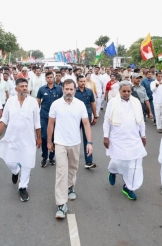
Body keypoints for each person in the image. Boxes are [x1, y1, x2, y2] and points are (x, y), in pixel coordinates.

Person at [47, 79, 93, 219]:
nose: (68, 92)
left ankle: (70, 187)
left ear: (74, 90)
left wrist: (89, 142)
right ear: (62, 89)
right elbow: (50, 124)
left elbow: (86, 124)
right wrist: (49, 142)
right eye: (66, 89)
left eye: (71, 89)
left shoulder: (80, 105)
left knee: (73, 168)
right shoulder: (55, 104)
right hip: (60, 143)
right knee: (61, 172)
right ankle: (61, 205)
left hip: (75, 143)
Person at [0, 78, 41, 202]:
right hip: (12, 138)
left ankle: (23, 187)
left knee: (27, 163)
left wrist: (39, 137)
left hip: (28, 139)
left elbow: (37, 122)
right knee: (10, 162)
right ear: (16, 89)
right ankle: (15, 172)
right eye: (22, 86)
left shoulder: (33, 102)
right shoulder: (10, 101)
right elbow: (4, 119)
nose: (25, 88)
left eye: (26, 86)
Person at [103, 81, 147, 201]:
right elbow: (107, 121)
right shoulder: (112, 102)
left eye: (129, 91)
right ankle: (112, 171)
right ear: (119, 91)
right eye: (124, 91)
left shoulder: (136, 102)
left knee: (134, 164)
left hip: (134, 138)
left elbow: (141, 120)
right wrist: (106, 136)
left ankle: (128, 187)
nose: (127, 93)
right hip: (118, 138)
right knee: (117, 161)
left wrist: (143, 135)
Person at [37, 72, 63, 167]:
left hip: (56, 117)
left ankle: (52, 157)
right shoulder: (42, 89)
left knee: (54, 138)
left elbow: (62, 103)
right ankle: (44, 157)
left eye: (51, 77)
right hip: (44, 116)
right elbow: (38, 103)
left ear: (54, 78)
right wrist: (35, 116)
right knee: (44, 137)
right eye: (47, 77)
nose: (49, 79)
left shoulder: (59, 89)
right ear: (46, 79)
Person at [75, 75, 98, 169]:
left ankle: (88, 162)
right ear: (77, 82)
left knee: (87, 139)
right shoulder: (73, 92)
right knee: (74, 139)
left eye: (84, 81)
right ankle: (71, 159)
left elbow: (92, 103)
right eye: (81, 81)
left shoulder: (89, 91)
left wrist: (95, 115)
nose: (83, 83)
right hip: (75, 118)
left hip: (86, 118)